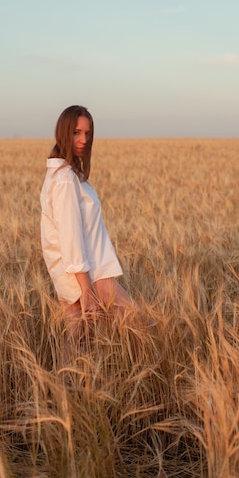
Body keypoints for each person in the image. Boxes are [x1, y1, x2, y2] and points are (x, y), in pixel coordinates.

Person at [40, 105, 142, 356]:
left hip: (79, 273)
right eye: (76, 132)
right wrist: (86, 290)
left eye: (88, 133)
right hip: (90, 275)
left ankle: (59, 392)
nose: (84, 140)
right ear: (63, 132)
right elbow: (70, 237)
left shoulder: (66, 175)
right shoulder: (64, 179)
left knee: (79, 343)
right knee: (141, 326)